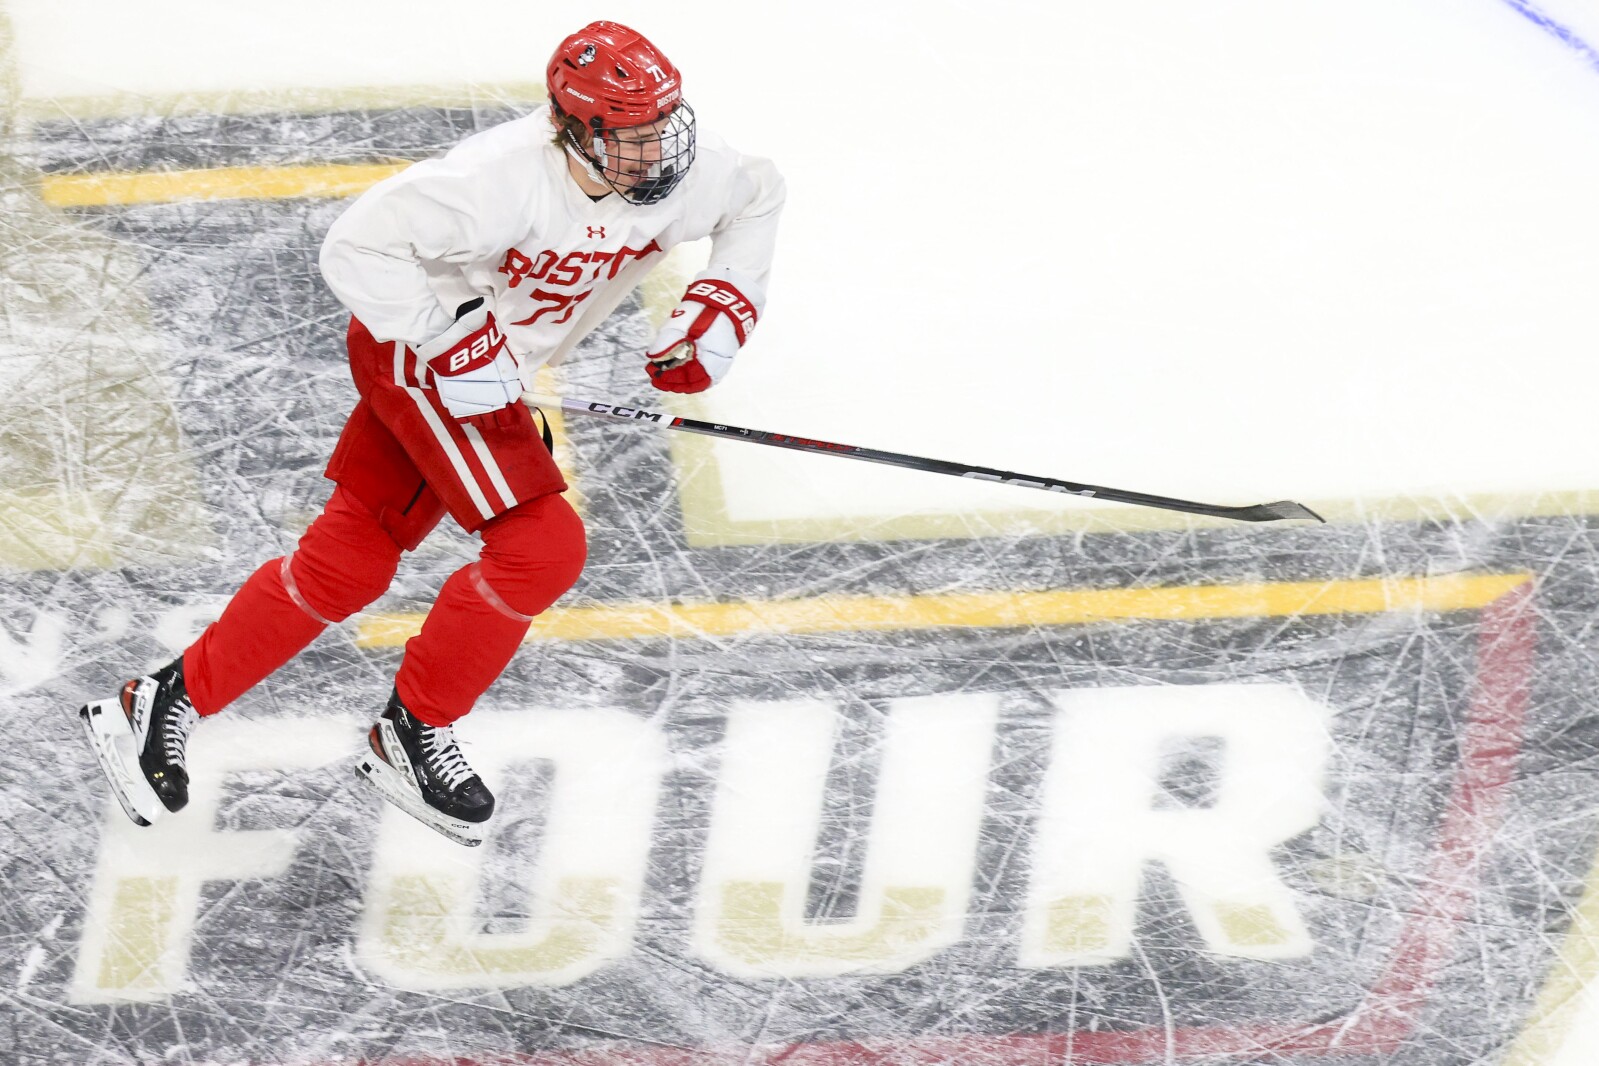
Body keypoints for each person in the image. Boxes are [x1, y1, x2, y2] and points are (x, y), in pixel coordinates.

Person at [78, 21, 784, 846]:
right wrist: (451, 339)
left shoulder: (684, 172)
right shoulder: (495, 180)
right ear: (575, 128)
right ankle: (412, 732)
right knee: (541, 549)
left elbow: (757, 195)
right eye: (633, 135)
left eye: (666, 124)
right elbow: (357, 244)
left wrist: (723, 301)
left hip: (492, 366)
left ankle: (158, 703)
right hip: (419, 354)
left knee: (350, 561)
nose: (659, 151)